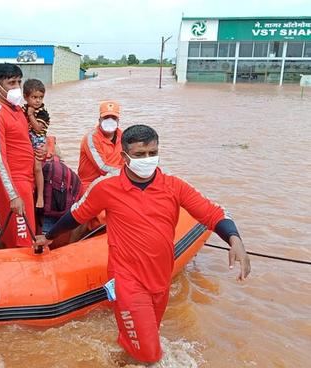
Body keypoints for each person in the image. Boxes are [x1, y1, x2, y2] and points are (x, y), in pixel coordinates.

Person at [35, 125, 251, 364]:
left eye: (152, 153)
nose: (147, 160)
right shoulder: (106, 188)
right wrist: (50, 235)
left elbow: (211, 213)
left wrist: (234, 239)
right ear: (124, 157)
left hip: (160, 279)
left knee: (142, 342)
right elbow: (76, 215)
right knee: (150, 355)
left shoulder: (174, 186)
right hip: (128, 281)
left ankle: (121, 360)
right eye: (139, 155)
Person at [0, 63, 36, 248]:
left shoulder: (17, 109)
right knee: (21, 237)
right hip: (14, 182)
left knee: (26, 234)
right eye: (12, 83)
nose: (17, 87)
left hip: (26, 180)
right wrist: (13, 195)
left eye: (19, 82)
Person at [77, 100, 125, 191]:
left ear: (118, 121)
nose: (110, 121)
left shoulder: (124, 137)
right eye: (106, 117)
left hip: (117, 181)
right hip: (91, 185)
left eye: (113, 118)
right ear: (100, 120)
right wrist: (129, 172)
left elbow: (128, 161)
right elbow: (102, 167)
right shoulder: (91, 138)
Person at [23, 79, 50, 214]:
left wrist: (30, 115)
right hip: (26, 141)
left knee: (37, 167)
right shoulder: (22, 108)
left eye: (40, 97)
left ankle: (40, 196)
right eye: (34, 97)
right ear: (25, 97)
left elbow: (38, 128)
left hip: (38, 140)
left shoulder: (42, 112)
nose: (38, 100)